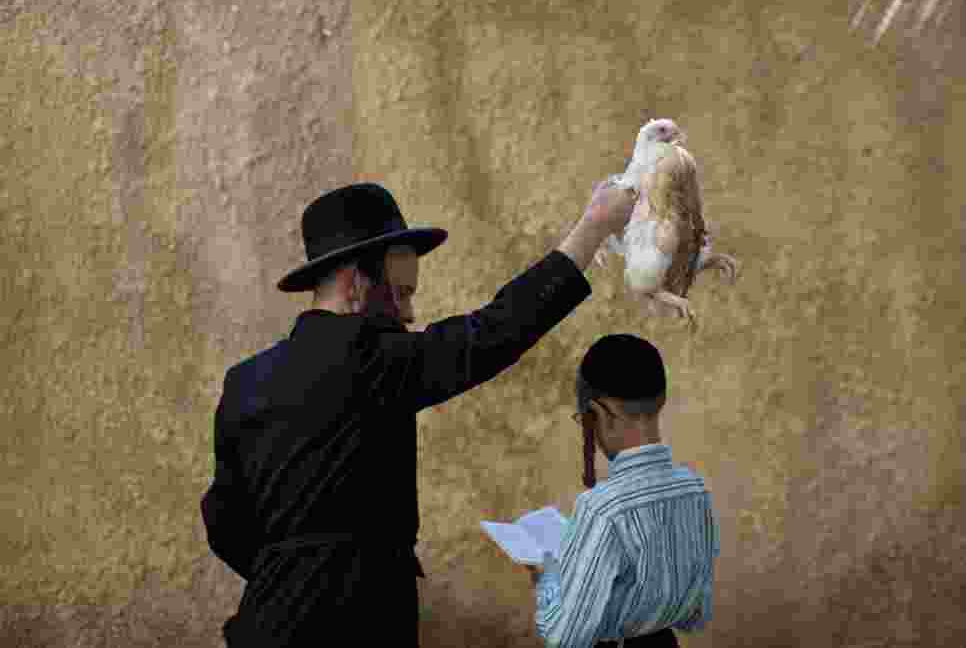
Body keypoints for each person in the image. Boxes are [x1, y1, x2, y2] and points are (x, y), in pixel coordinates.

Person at [199, 179, 637, 647]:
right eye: (402, 294)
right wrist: (592, 228)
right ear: (356, 283)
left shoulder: (244, 382)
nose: (409, 315)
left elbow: (223, 522)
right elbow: (493, 332)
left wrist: (290, 573)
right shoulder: (372, 361)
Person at [528, 333, 720, 648]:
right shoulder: (695, 491)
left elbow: (564, 638)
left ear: (597, 414)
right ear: (661, 400)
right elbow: (694, 616)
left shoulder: (602, 510)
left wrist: (548, 576)